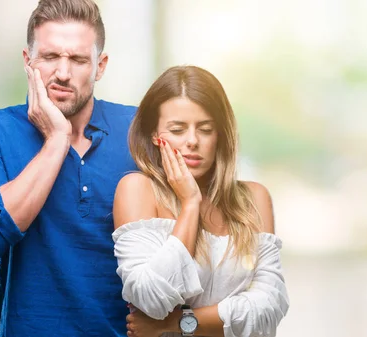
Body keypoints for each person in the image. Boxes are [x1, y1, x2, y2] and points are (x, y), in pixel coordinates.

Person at [0, 0, 137, 335]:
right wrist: (56, 141)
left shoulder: (138, 129)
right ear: (29, 60)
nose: (63, 73)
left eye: (79, 59)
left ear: (100, 65)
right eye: (50, 57)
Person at [112, 65, 290, 337]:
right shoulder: (137, 190)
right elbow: (152, 299)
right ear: (154, 136)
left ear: (220, 136)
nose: (192, 141)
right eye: (178, 129)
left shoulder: (254, 198)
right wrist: (190, 204)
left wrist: (179, 323)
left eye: (205, 129)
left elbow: (269, 307)